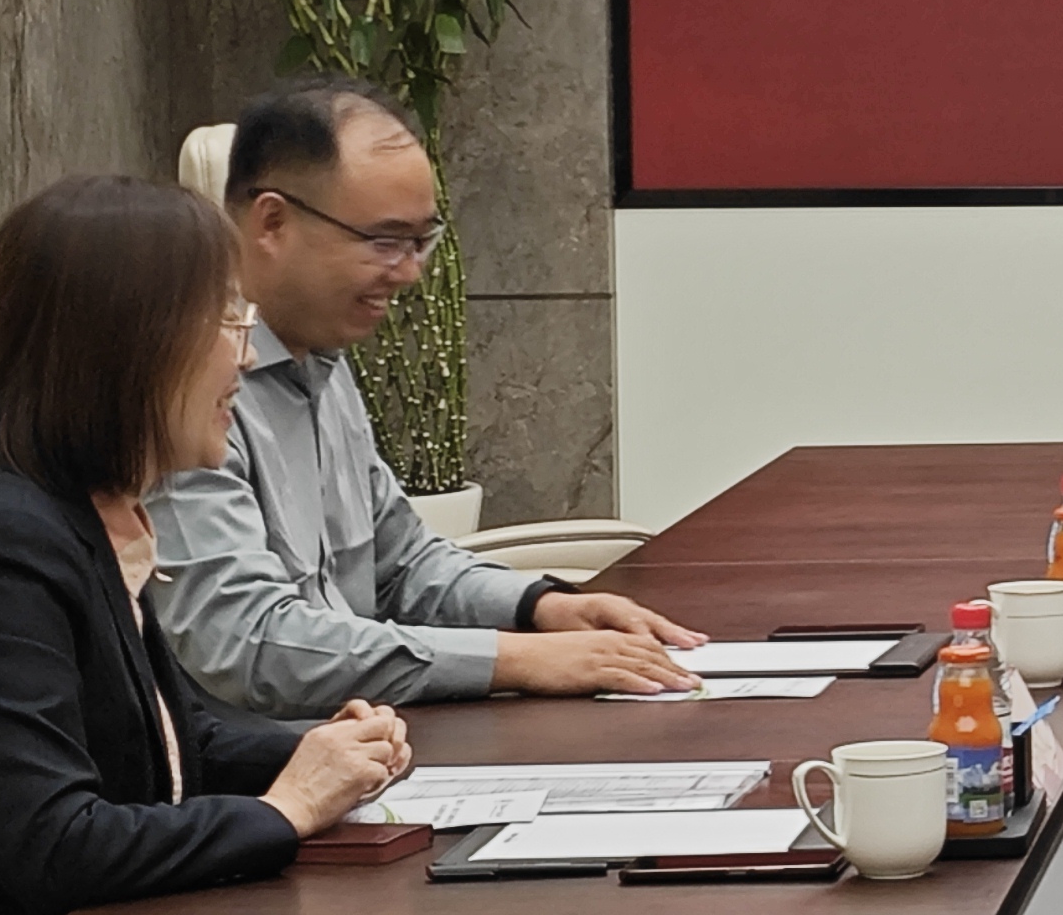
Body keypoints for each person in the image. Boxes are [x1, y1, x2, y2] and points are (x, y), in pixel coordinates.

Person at [0, 176, 420, 915]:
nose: (246, 357)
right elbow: (58, 845)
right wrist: (286, 810)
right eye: (227, 320)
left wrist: (322, 755)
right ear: (130, 343)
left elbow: (164, 738)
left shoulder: (76, 515)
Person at [149, 79, 706, 711]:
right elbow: (245, 645)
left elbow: (401, 566)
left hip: (371, 737)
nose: (411, 272)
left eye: (421, 241)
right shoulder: (184, 386)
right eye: (384, 241)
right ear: (273, 222)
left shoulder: (322, 358)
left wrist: (542, 607)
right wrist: (515, 660)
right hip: (267, 760)